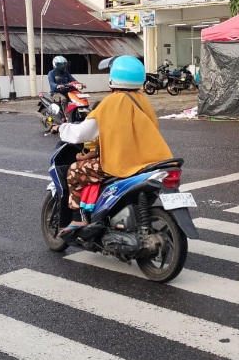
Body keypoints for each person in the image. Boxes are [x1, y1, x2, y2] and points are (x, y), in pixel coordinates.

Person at [57, 55, 173, 235]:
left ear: (114, 77)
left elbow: (82, 133)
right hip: (151, 161)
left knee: (74, 171)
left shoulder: (110, 102)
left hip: (122, 164)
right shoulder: (143, 100)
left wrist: (62, 128)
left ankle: (78, 219)